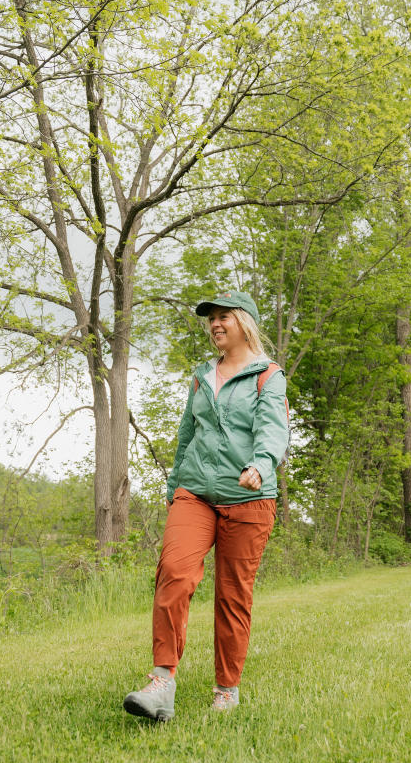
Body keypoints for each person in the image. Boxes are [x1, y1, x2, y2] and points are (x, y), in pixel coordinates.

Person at [123, 290, 288, 722]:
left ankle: (226, 689)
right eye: (211, 318)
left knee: (233, 596)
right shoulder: (201, 376)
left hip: (249, 497)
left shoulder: (267, 376)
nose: (215, 324)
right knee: (174, 573)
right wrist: (176, 483)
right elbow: (186, 433)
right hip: (194, 492)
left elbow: (274, 431)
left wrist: (261, 463)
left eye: (223, 317)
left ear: (245, 322)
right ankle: (162, 684)